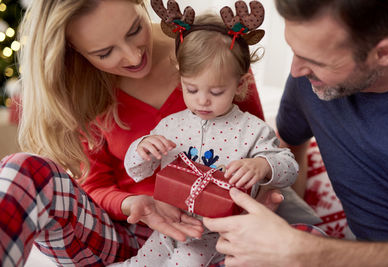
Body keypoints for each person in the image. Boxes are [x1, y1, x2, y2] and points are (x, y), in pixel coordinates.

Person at [0, 0, 268, 266]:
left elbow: (260, 149)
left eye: (134, 30)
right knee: (22, 169)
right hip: (121, 236)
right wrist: (131, 204)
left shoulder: (216, 53)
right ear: (74, 50)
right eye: (105, 53)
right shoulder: (84, 92)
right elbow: (95, 185)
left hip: (207, 237)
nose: (133, 57)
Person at [203, 0, 388, 266]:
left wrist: (306, 251)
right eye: (294, 51)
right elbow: (291, 147)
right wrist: (280, 211)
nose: (295, 71)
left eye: (315, 61)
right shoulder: (308, 80)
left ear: (383, 53)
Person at [116, 7, 298, 265]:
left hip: (218, 233)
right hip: (170, 222)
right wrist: (142, 148)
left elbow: (290, 168)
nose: (202, 100)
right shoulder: (171, 125)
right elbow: (138, 170)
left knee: (184, 262)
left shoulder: (252, 129)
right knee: (141, 261)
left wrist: (263, 165)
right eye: (191, 89)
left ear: (241, 84)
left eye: (216, 92)